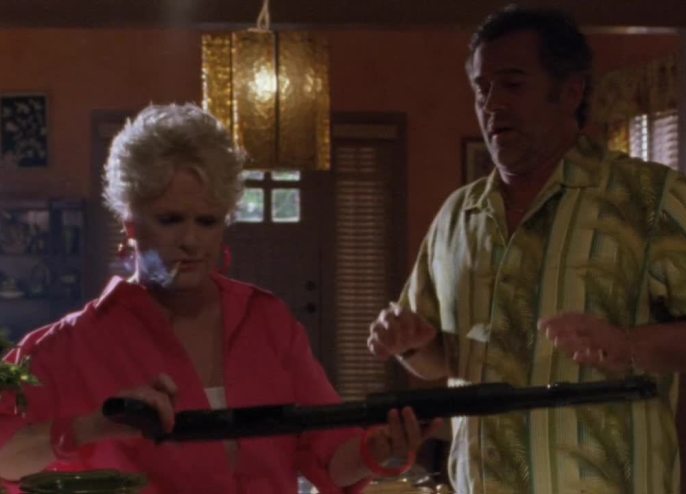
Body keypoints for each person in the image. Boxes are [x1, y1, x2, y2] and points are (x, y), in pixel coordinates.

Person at [367, 6, 686, 494]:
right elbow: (441, 361)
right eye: (481, 88)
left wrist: (630, 345)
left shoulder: (649, 199)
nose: (491, 104)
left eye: (512, 84)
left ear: (570, 91)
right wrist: (411, 345)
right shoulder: (458, 216)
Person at [0, 103, 440, 494]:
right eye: (170, 219)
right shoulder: (72, 344)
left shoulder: (266, 320)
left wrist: (380, 450)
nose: (191, 240)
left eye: (207, 221)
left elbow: (329, 456)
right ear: (130, 223)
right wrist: (92, 427)